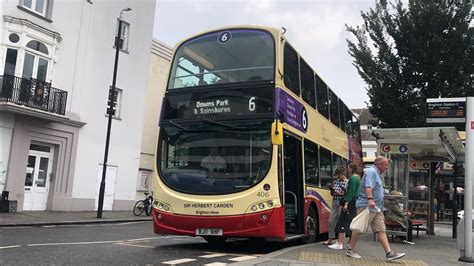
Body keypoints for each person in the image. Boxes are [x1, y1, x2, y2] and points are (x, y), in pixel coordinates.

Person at [345, 156, 406, 262]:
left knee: (381, 229)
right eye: (386, 165)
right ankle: (350, 249)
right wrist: (370, 199)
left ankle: (389, 253)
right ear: (379, 164)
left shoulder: (376, 173)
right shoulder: (371, 172)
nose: (387, 167)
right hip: (367, 205)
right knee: (358, 227)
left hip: (377, 207)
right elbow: (368, 187)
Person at [329, 162, 361, 250]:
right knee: (351, 222)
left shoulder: (353, 178)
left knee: (342, 222)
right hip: (354, 201)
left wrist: (346, 203)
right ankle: (349, 243)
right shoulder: (358, 178)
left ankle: (340, 243)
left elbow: (350, 192)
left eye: (348, 168)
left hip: (350, 201)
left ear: (351, 168)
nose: (347, 169)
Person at [324, 166, 348, 245]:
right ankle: (330, 238)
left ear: (342, 174)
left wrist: (340, 193)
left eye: (338, 175)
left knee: (340, 221)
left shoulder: (347, 182)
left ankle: (340, 240)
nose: (337, 177)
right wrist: (332, 191)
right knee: (331, 221)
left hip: (342, 202)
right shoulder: (336, 181)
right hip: (335, 202)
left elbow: (348, 194)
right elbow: (332, 193)